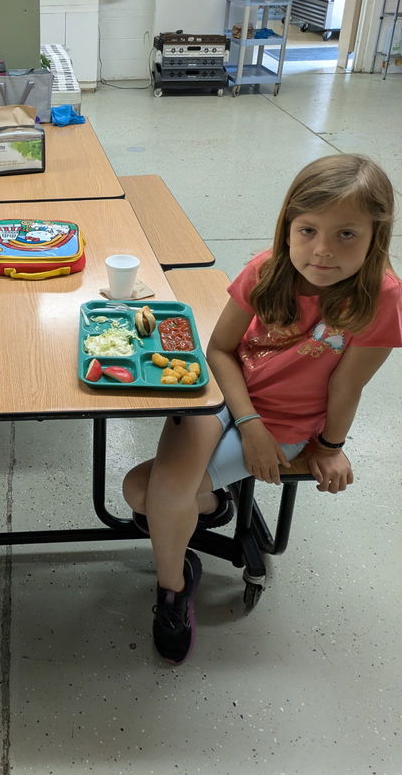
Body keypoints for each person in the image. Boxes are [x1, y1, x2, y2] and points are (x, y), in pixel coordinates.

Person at [123, 154, 402, 664]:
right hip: (226, 395)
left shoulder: (380, 298)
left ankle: (179, 578)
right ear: (288, 226)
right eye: (308, 230)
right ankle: (190, 552)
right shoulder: (267, 269)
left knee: (148, 493)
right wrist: (248, 423)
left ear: (376, 236)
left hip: (285, 424)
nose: (322, 250)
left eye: (346, 234)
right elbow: (220, 350)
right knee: (146, 494)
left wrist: (330, 446)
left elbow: (347, 387)